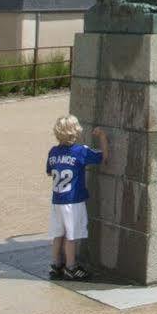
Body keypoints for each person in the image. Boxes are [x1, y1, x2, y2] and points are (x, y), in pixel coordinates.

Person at [46, 113, 107, 281]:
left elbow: (50, 171)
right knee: (71, 236)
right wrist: (102, 137)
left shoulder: (53, 152)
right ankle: (71, 267)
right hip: (73, 200)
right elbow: (102, 157)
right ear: (76, 132)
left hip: (57, 200)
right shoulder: (80, 151)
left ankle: (56, 263)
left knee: (58, 234)